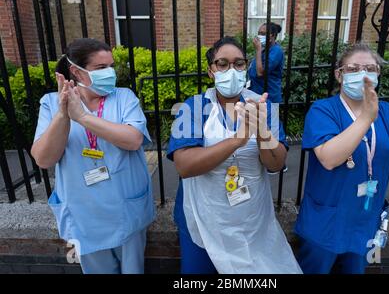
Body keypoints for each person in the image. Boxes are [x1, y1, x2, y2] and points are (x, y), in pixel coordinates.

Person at [167, 36, 302, 274]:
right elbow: (184, 166)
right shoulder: (193, 107)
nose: (231, 70)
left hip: (250, 220)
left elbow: (276, 164)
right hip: (202, 219)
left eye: (239, 64)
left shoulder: (263, 107)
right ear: (211, 71)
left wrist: (262, 133)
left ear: (246, 67)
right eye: (222, 64)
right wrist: (237, 140)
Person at [294, 43, 389, 274]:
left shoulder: (388, 112)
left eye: (370, 68)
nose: (362, 74)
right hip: (325, 221)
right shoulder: (323, 110)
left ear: (378, 74)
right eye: (353, 68)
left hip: (364, 220)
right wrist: (365, 118)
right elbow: (328, 158)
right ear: (339, 74)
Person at [31, 38, 155, 274]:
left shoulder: (124, 97)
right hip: (84, 214)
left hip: (126, 210)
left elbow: (133, 139)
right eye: (101, 68)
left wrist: (84, 117)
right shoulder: (50, 103)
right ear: (76, 71)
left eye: (111, 66)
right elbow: (44, 159)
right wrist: (64, 113)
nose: (110, 72)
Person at [249, 22, 285, 104]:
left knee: (270, 117)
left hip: (270, 97)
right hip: (256, 95)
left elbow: (260, 73)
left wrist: (258, 50)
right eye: (259, 33)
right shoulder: (264, 49)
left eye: (263, 34)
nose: (259, 36)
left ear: (272, 36)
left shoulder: (276, 51)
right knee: (254, 117)